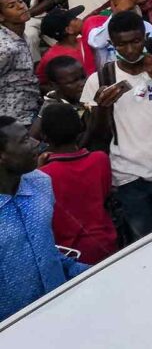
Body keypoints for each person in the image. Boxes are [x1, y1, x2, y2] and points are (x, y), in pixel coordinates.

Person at [79, 10, 152, 240]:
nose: (131, 49)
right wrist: (103, 107)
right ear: (112, 44)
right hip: (127, 176)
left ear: (145, 37)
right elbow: (97, 136)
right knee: (143, 242)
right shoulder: (100, 79)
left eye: (135, 41)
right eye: (122, 44)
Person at [0, 117, 89, 321]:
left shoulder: (41, 183)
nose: (36, 143)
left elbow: (47, 251)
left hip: (61, 310)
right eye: (24, 141)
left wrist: (98, 272)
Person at [35, 102, 118, 265]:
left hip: (71, 254)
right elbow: (104, 193)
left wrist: (38, 168)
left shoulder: (43, 175)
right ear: (80, 126)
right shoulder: (100, 159)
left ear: (45, 136)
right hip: (106, 242)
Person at [0, 0, 38, 126]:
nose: (21, 6)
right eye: (11, 6)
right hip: (13, 121)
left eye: (20, 1)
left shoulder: (22, 36)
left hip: (29, 110)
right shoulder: (5, 48)